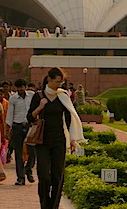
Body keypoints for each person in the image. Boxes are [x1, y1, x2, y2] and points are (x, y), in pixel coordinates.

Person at [28, 68, 85, 209]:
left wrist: (72, 139)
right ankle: (44, 204)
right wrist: (40, 107)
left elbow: (69, 118)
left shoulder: (62, 96)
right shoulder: (38, 96)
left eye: (61, 82)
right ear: (49, 79)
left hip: (59, 140)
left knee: (57, 176)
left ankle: (54, 206)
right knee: (44, 175)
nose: (59, 85)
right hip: (42, 141)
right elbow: (30, 117)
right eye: (57, 82)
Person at [6, 78, 36, 185]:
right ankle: (20, 177)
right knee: (18, 153)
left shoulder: (32, 95)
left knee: (32, 151)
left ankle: (28, 168)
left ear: (25, 87)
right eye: (18, 87)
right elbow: (10, 113)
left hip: (30, 126)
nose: (20, 89)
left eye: (22, 87)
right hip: (17, 126)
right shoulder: (13, 99)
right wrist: (8, 128)